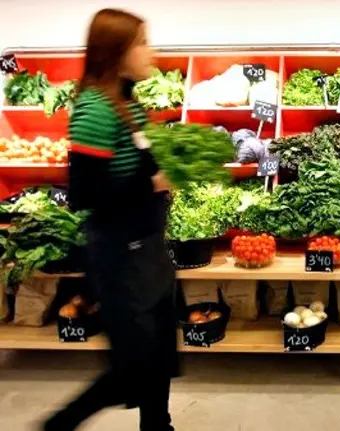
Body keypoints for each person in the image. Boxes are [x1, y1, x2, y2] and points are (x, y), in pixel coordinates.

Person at [43, 8, 179, 431]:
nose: (151, 51)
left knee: (158, 355)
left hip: (147, 247)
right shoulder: (95, 110)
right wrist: (153, 183)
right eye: (142, 42)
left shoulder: (126, 104)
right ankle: (59, 425)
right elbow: (85, 191)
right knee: (131, 365)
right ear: (117, 52)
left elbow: (134, 166)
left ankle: (158, 426)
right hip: (121, 254)